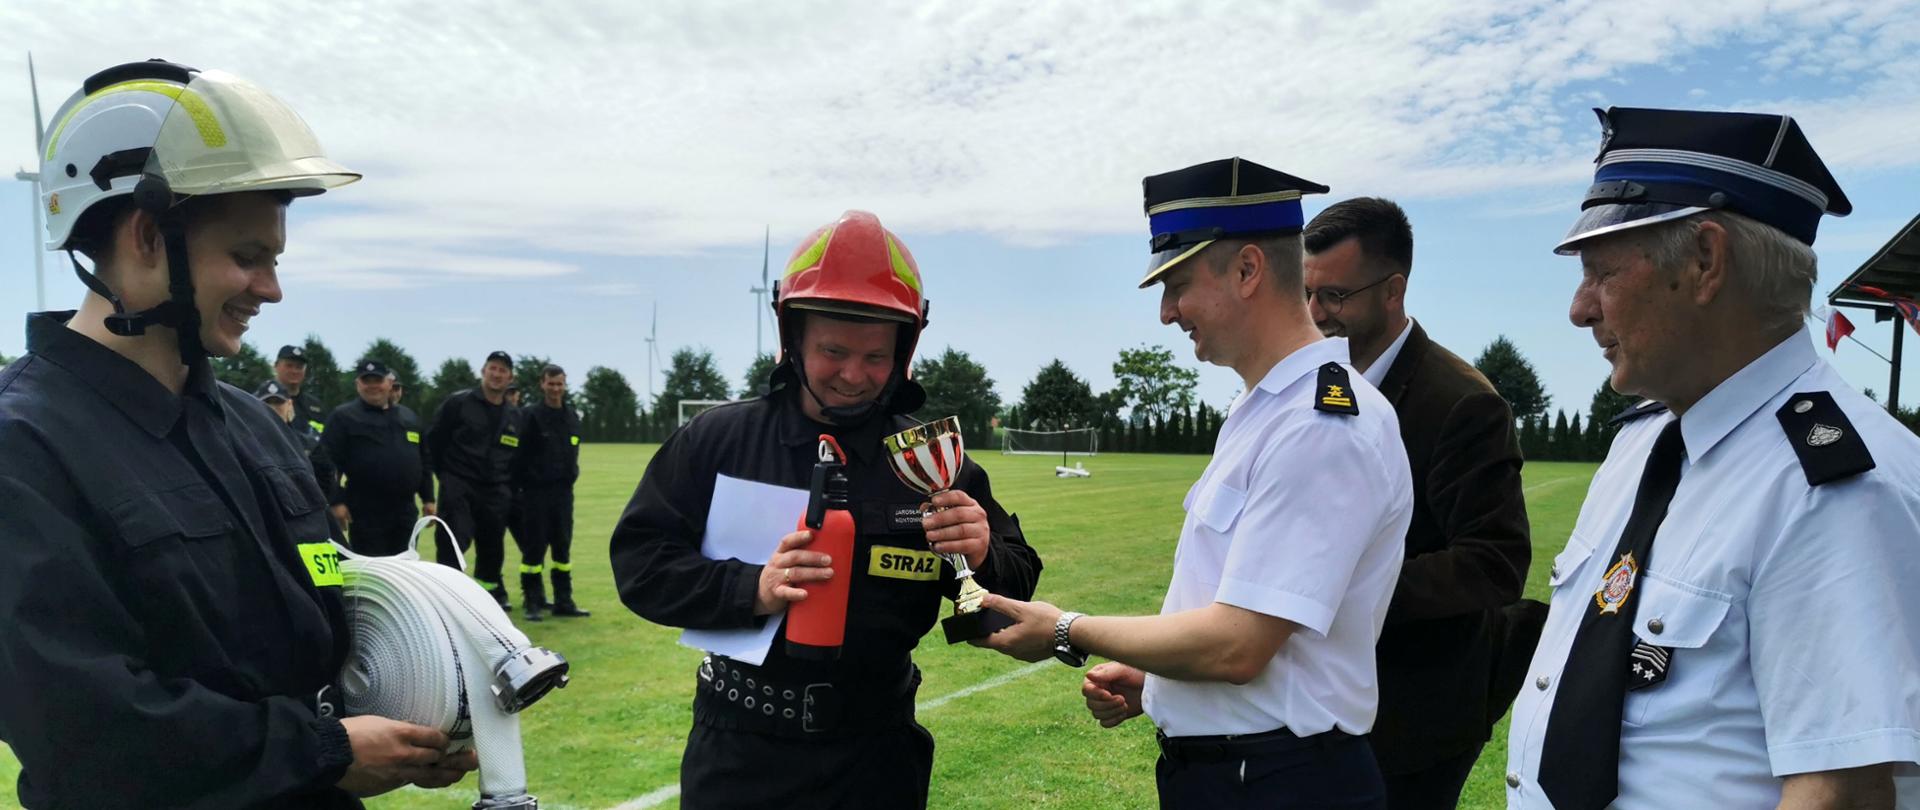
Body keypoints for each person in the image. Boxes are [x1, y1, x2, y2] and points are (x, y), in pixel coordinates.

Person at [0, 58, 475, 807]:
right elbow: (79, 726)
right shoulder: (23, 446)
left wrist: (423, 703)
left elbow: (328, 608)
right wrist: (321, 750)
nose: (271, 289)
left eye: (274, 260)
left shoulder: (253, 423)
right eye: (247, 258)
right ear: (148, 236)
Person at [1505, 107, 1920, 809]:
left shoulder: (1836, 488)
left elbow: (1840, 791)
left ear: (1705, 261)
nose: (1580, 309)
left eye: (1601, 272)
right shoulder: (1645, 441)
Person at [977, 158, 1412, 810]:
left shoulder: (1320, 426)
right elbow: (1234, 610)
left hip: (1280, 784)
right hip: (1240, 776)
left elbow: (1239, 646)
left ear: (1247, 270)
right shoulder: (1263, 411)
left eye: (1177, 284)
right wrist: (1159, 679)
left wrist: (1067, 629)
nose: (1166, 312)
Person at [609, 210, 1042, 809]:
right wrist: (751, 590)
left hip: (878, 758)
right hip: (740, 754)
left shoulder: (929, 459)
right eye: (833, 351)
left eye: (875, 357)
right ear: (793, 339)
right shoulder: (718, 441)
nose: (853, 375)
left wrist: (984, 553)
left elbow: (1019, 578)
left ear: (904, 350)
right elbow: (641, 564)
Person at [1302, 198, 1538, 809]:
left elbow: (1496, 562)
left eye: (1335, 296)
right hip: (1319, 699)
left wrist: (1345, 589)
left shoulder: (1463, 402)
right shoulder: (1318, 383)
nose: (1316, 313)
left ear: (1394, 290)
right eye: (1307, 293)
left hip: (1414, 716)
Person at [428, 350, 521, 606]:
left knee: (492, 548)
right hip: (459, 484)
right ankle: (449, 600)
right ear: (483, 371)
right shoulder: (458, 403)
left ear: (510, 378)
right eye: (493, 368)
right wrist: (447, 476)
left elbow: (517, 457)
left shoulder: (514, 415)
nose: (497, 374)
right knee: (453, 542)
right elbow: (434, 441)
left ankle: (485, 601)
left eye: (503, 370)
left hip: (495, 491)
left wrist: (507, 487)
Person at [323, 359, 436, 557]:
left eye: (378, 380)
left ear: (389, 383)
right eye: (366, 381)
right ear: (358, 384)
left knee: (405, 568)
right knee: (373, 568)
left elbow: (423, 460)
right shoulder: (343, 417)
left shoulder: (409, 417)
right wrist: (336, 501)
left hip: (405, 510)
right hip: (365, 511)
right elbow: (328, 463)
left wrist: (428, 498)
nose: (373, 386)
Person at [511, 364, 590, 621]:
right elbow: (518, 456)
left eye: (559, 384)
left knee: (562, 548)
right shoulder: (530, 416)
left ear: (565, 385)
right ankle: (533, 601)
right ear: (542, 384)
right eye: (551, 384)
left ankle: (564, 601)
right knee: (534, 550)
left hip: (563, 493)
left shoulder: (572, 416)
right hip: (535, 493)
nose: (555, 389)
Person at [276, 342, 329, 436]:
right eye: (289, 365)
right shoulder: (263, 400)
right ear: (276, 366)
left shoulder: (315, 405)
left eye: (299, 367)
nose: (294, 371)